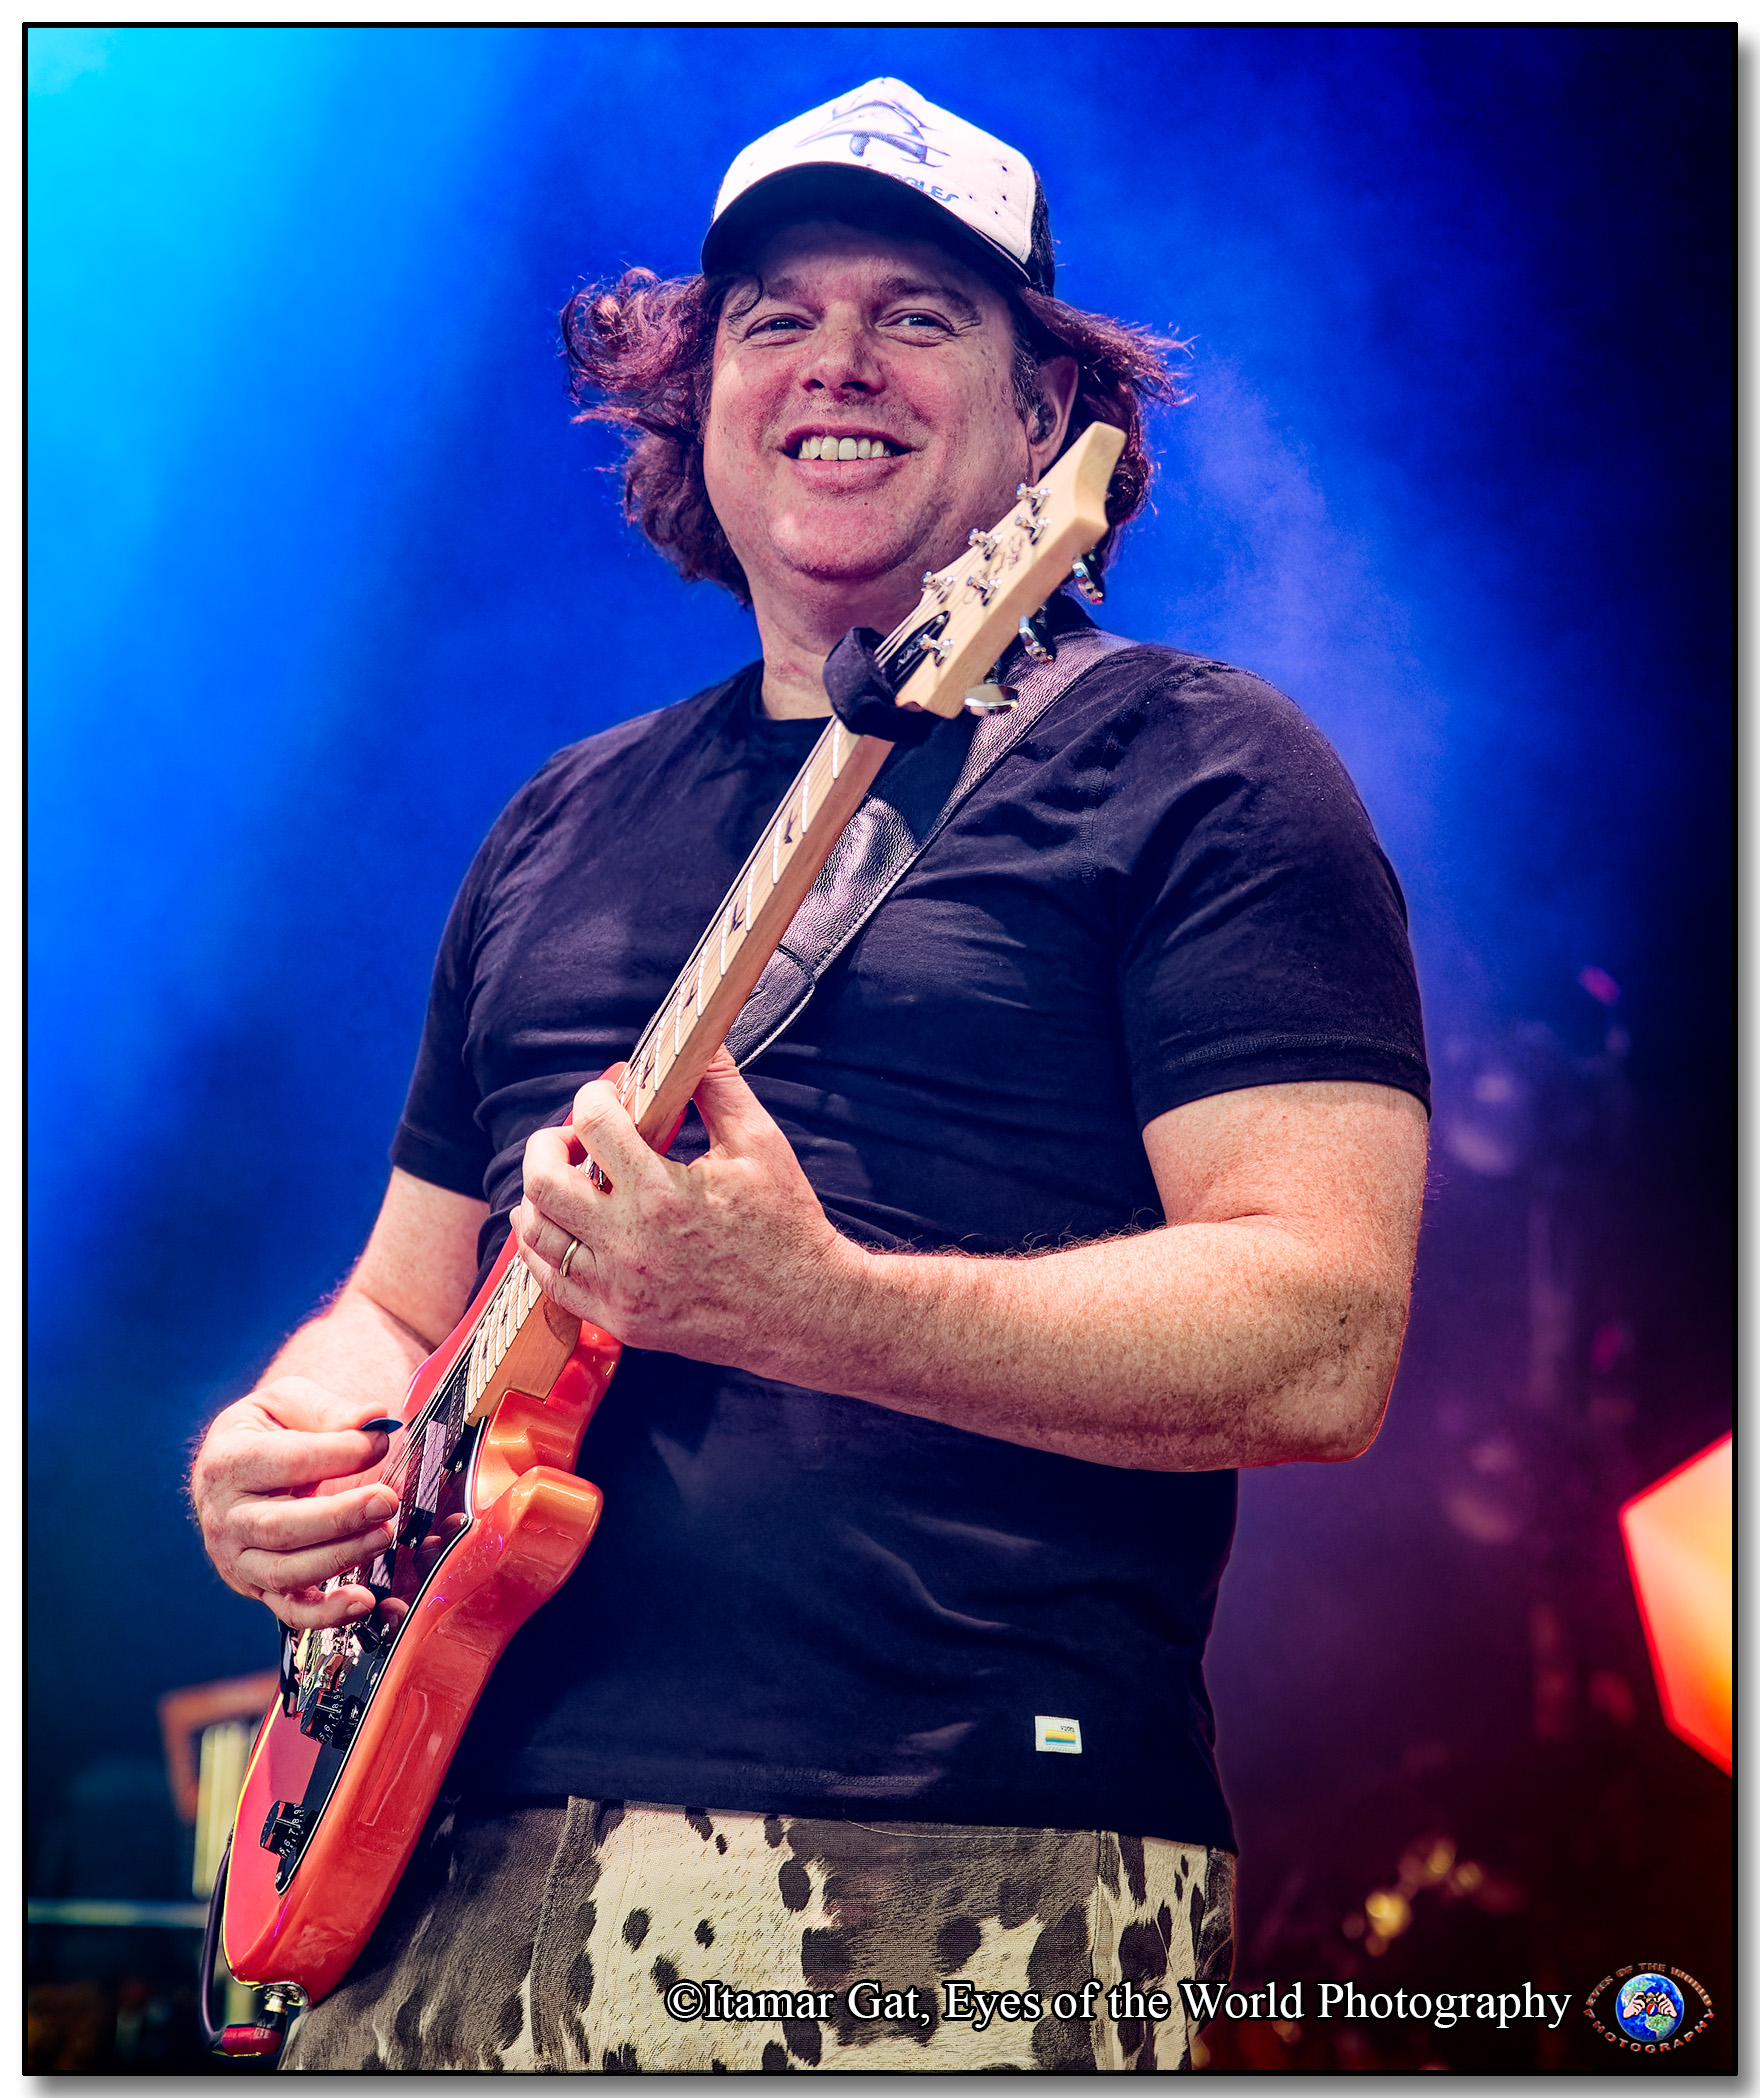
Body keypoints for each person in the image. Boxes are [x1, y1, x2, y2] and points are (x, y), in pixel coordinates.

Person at [189, 79, 1429, 2072]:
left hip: (938, 1859)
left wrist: (814, 1305)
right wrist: (288, 1445)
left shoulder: (1202, 767)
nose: (836, 360)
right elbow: (400, 1304)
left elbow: (1321, 1334)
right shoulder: (557, 821)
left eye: (916, 314)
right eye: (775, 317)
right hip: (420, 1876)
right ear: (696, 398)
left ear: (1047, 413)